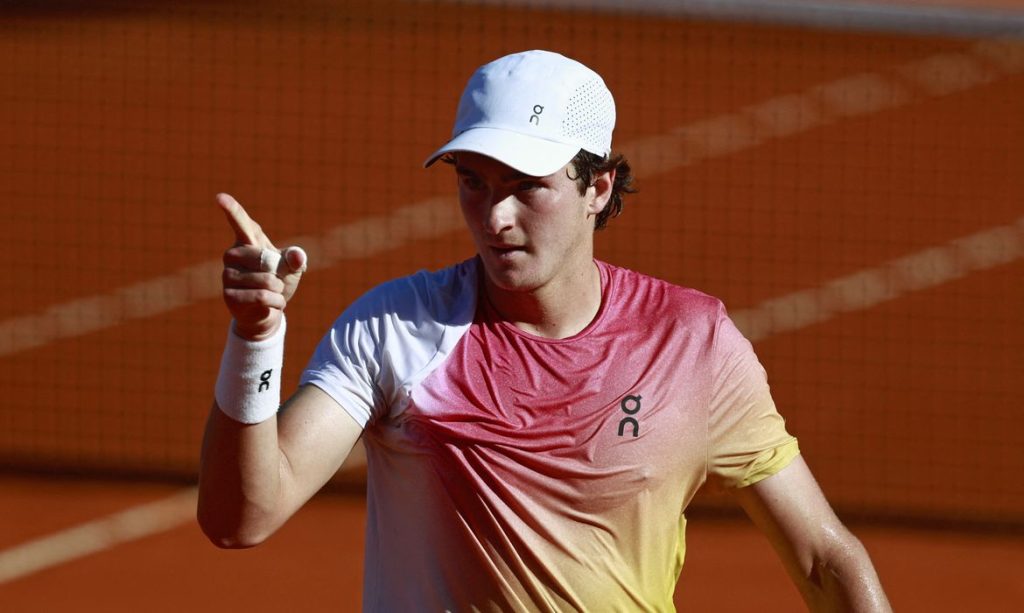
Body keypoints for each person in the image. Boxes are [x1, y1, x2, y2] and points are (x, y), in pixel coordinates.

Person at [198, 50, 891, 611]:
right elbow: (242, 517)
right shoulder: (395, 330)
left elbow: (825, 558)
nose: (494, 217)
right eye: (473, 181)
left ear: (599, 186)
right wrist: (256, 338)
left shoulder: (693, 345)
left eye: (527, 185)